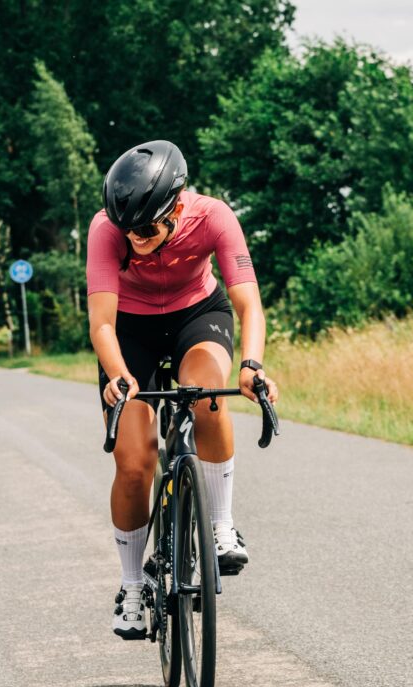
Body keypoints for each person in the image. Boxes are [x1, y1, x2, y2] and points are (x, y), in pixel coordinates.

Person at [86, 140, 280, 639]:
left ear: (176, 206)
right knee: (134, 462)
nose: (138, 240)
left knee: (207, 395)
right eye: (129, 232)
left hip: (198, 314)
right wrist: (118, 375)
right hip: (130, 327)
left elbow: (249, 306)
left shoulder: (214, 216)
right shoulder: (107, 229)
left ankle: (220, 526)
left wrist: (252, 365)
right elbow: (102, 323)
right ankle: (131, 587)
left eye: (148, 229)